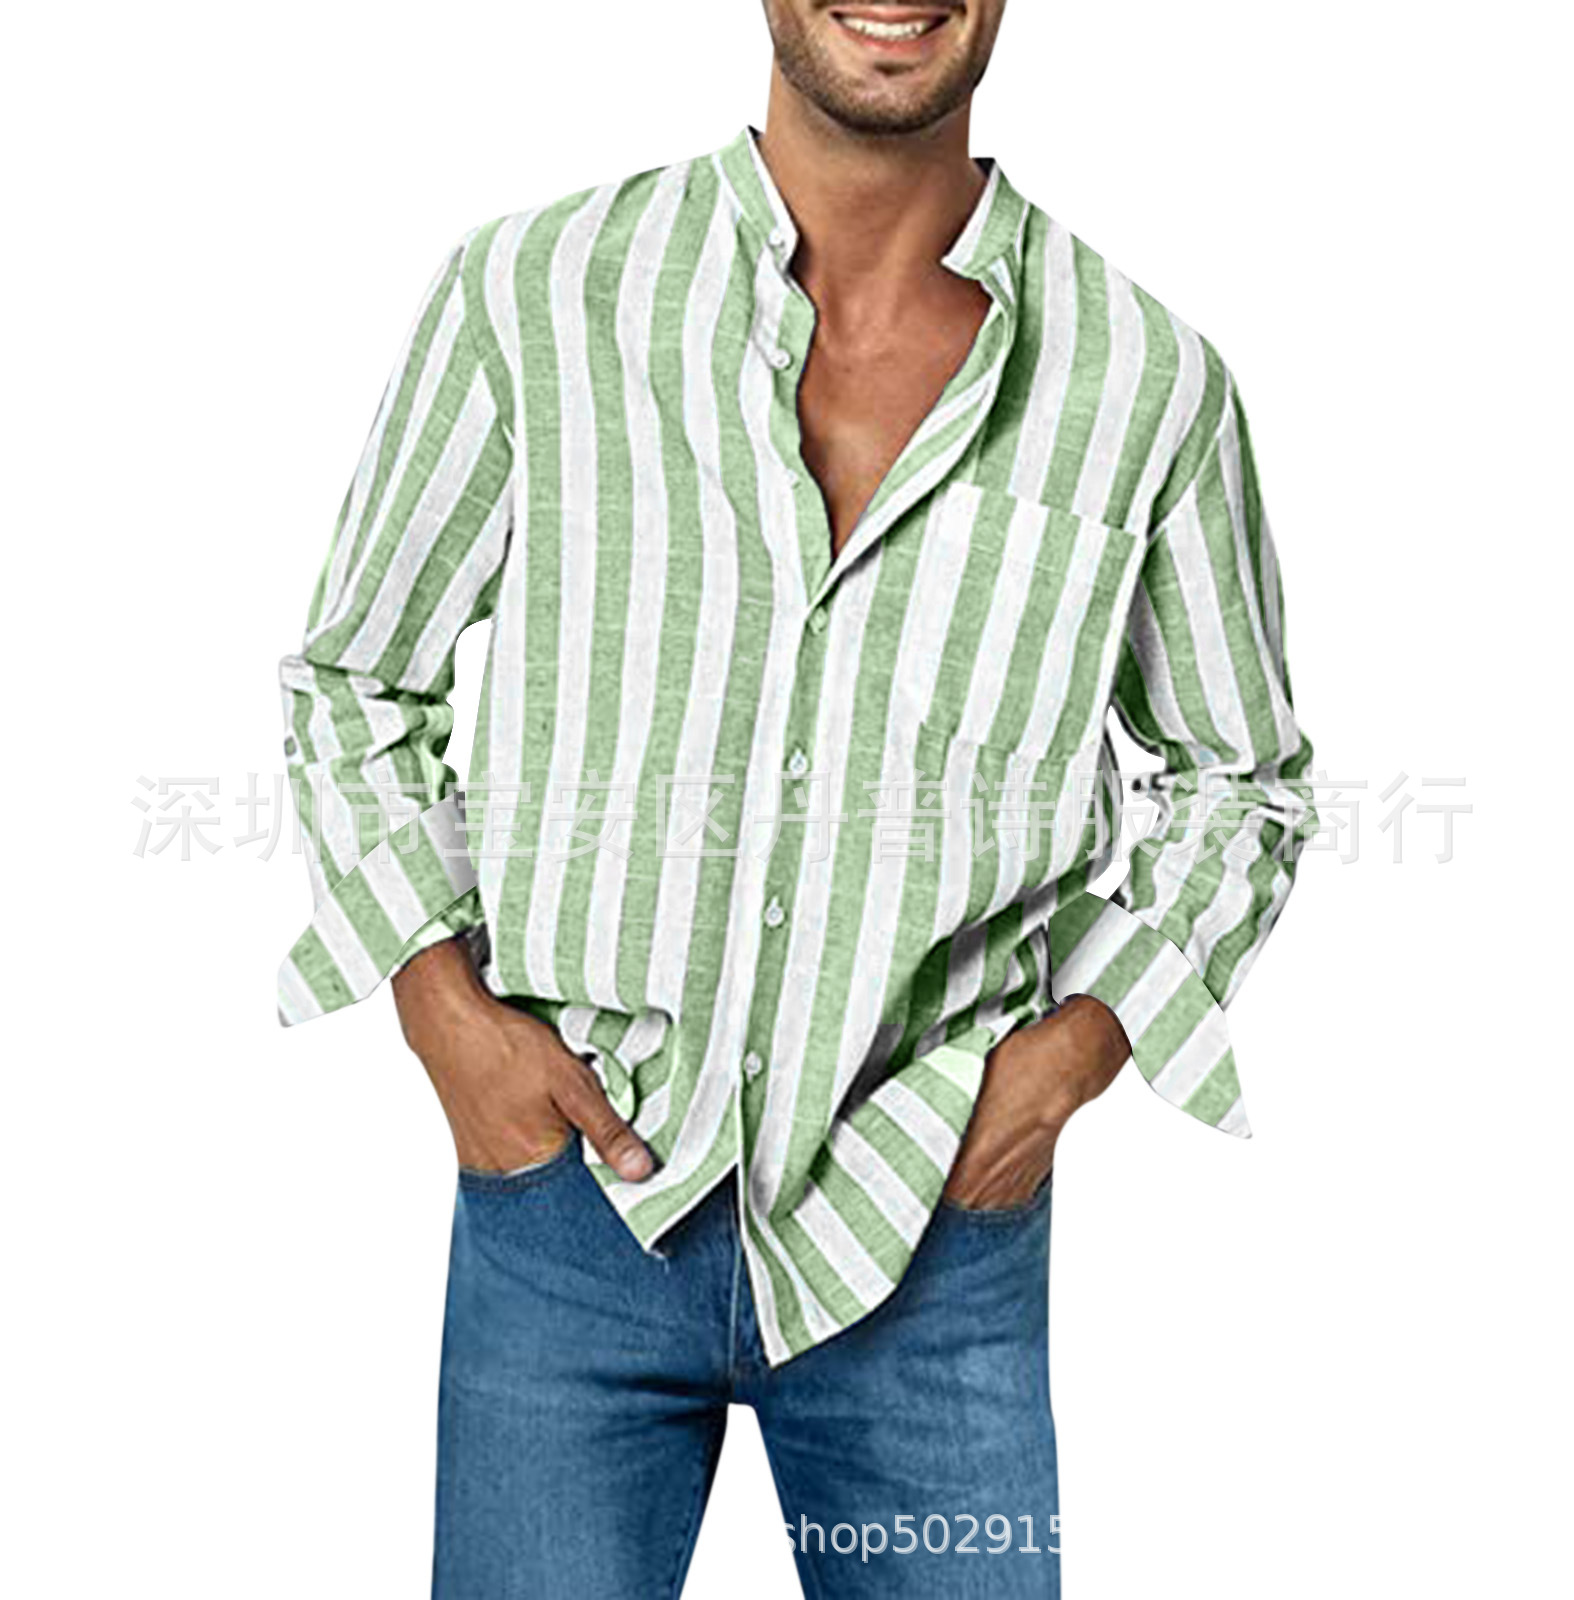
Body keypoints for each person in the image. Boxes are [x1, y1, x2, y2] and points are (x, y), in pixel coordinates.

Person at [275, 2, 1318, 1593]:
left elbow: (1240, 781)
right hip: (573, 1212)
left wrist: (1067, 1063)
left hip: (927, 1224)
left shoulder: (1145, 385)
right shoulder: (536, 293)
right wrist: (444, 1015)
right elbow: (357, 677)